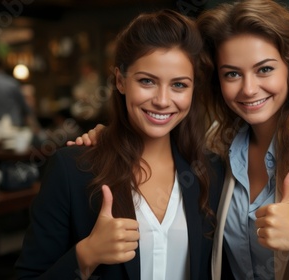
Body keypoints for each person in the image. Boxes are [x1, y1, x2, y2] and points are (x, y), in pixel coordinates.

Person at [70, 1, 289, 279]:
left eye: (265, 69)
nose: (248, 89)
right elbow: (157, 126)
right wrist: (108, 137)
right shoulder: (215, 148)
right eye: (232, 74)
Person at [16, 9, 225, 280]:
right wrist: (85, 256)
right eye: (147, 81)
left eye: (179, 85)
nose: (162, 100)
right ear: (120, 80)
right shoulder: (71, 170)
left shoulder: (211, 171)